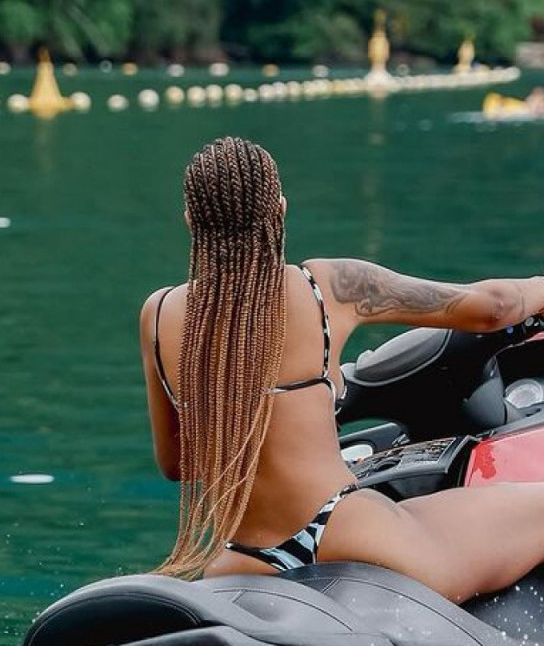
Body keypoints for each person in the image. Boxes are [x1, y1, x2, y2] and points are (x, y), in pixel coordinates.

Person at [141, 135, 544, 601]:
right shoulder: (324, 288)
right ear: (281, 208)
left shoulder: (158, 314)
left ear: (191, 220)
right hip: (342, 527)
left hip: (244, 555)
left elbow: (176, 464)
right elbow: (493, 308)